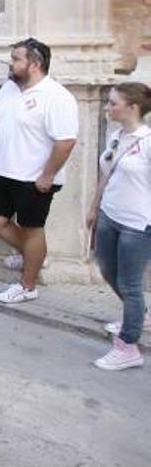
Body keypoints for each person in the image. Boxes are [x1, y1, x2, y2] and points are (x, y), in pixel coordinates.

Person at [0, 39, 78, 304]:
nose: (10, 62)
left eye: (16, 58)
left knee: (32, 230)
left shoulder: (57, 96)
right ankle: (33, 256)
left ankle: (28, 285)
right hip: (5, 170)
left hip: (34, 178)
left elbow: (65, 141)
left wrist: (48, 175)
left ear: (35, 64)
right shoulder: (9, 88)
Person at [86, 82, 150, 370]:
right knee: (108, 269)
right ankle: (137, 314)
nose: (108, 107)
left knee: (131, 283)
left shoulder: (147, 142)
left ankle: (128, 346)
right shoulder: (116, 136)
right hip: (110, 215)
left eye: (113, 103)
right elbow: (107, 172)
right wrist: (94, 206)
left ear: (132, 107)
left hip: (138, 223)